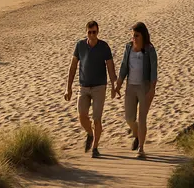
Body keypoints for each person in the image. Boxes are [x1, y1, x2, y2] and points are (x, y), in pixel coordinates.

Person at [64, 21, 117, 158]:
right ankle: (90, 133)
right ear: (86, 32)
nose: (92, 35)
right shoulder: (80, 45)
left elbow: (111, 67)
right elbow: (73, 67)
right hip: (83, 87)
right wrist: (68, 88)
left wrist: (114, 85)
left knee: (97, 119)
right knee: (82, 116)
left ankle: (95, 147)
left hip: (99, 87)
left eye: (94, 32)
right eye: (89, 32)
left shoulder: (104, 46)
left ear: (98, 32)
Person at [115, 22, 158, 160]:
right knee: (129, 118)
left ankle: (141, 148)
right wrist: (118, 85)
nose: (134, 38)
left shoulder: (150, 49)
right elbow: (123, 66)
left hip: (144, 87)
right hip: (130, 87)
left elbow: (154, 70)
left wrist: (152, 89)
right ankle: (137, 134)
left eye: (137, 35)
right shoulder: (128, 47)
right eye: (133, 35)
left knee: (142, 117)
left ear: (143, 36)